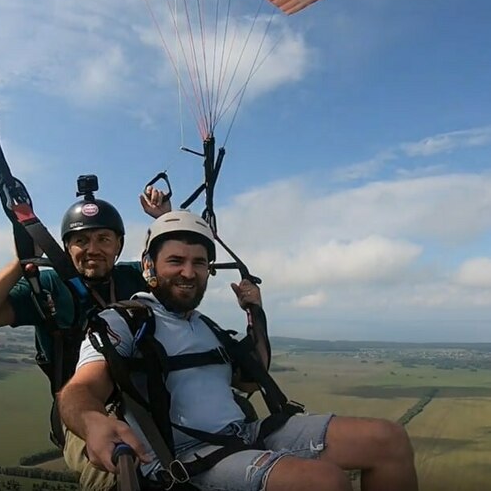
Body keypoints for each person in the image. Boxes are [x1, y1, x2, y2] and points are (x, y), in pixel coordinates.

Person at [58, 210, 419, 491]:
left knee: (388, 440)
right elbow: (80, 390)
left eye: (199, 263)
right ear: (150, 267)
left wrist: (256, 315)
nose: (189, 272)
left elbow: (250, 380)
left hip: (244, 433)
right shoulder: (124, 321)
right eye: (175, 261)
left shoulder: (206, 327)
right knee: (324, 482)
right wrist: (91, 421)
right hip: (183, 457)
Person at [0, 175, 170, 488]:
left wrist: (165, 220)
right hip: (81, 409)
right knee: (115, 470)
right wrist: (21, 261)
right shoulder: (48, 287)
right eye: (81, 240)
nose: (92, 249)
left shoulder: (132, 278)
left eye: (103, 239)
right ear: (66, 247)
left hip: (145, 395)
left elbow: (181, 270)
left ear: (119, 245)